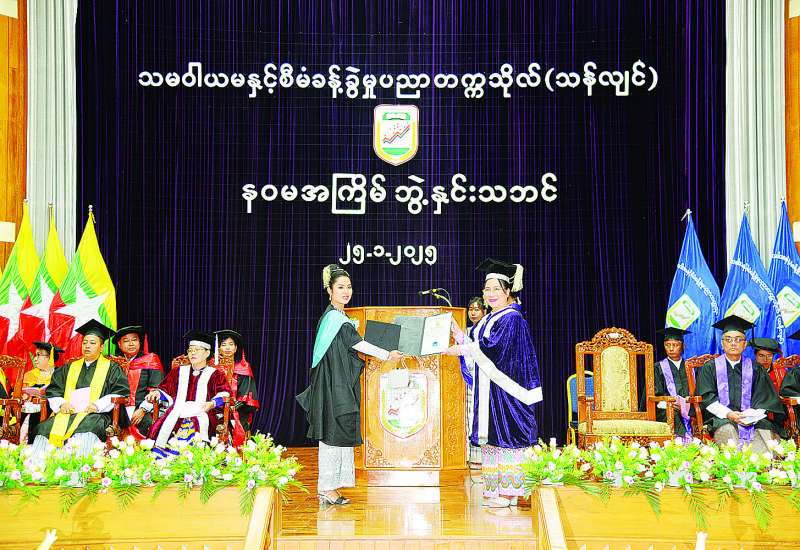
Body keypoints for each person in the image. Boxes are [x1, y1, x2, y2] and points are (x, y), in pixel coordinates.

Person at [296, 264, 403, 506]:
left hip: (338, 383)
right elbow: (358, 344)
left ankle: (332, 486)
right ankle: (326, 487)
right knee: (331, 435)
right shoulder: (334, 319)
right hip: (332, 386)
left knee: (338, 433)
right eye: (340, 287)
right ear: (329, 290)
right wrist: (387, 355)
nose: (346, 291)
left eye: (349, 287)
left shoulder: (339, 318)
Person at [446, 258, 543, 508]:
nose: (490, 294)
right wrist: (459, 335)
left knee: (507, 435)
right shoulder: (492, 317)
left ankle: (510, 492)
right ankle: (497, 489)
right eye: (487, 289)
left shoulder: (511, 318)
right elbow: (481, 346)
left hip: (507, 389)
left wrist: (462, 349)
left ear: (508, 291)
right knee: (494, 437)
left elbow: (493, 349)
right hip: (492, 388)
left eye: (496, 289)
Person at [31, 319, 129, 455]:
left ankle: (79, 465)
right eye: (84, 342)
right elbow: (54, 390)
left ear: (101, 347)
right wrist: (62, 404)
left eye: (92, 343)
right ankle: (41, 464)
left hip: (96, 414)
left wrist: (97, 405)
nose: (87, 346)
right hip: (68, 413)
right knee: (44, 428)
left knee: (88, 426)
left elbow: (120, 392)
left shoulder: (112, 368)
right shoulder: (69, 367)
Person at [696, 315, 785, 452]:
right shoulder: (709, 367)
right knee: (728, 431)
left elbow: (764, 398)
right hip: (721, 418)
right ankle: (737, 461)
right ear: (722, 344)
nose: (733, 343)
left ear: (744, 344)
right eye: (728, 339)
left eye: (738, 339)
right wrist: (728, 414)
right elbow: (706, 398)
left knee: (765, 433)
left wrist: (751, 414)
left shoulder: (756, 368)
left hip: (751, 418)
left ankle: (764, 462)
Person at [147, 331, 232, 452]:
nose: (192, 353)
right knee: (164, 426)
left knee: (200, 429)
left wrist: (212, 404)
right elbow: (165, 389)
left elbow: (225, 393)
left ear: (207, 353)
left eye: (197, 350)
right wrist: (157, 393)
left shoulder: (215, 374)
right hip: (177, 411)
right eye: (190, 350)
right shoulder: (178, 371)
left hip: (203, 412)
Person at [113, 325, 164, 436]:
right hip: (117, 408)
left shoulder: (150, 360)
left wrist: (143, 409)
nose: (131, 344)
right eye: (126, 341)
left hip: (142, 408)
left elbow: (157, 390)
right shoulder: (114, 363)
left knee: (150, 426)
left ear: (140, 342)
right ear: (119, 345)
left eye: (134, 340)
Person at [457, 297, 487, 468]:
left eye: (477, 309)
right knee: (468, 416)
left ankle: (482, 457)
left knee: (480, 416)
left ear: (484, 311)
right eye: (470, 309)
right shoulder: (465, 332)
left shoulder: (486, 331)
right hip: (466, 382)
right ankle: (468, 455)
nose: (473, 312)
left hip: (483, 380)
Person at [215, 329, 260, 433]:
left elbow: (245, 395)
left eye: (231, 344)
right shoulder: (213, 368)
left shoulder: (243, 368)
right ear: (219, 348)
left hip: (238, 411)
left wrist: (229, 409)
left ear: (235, 348)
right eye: (224, 344)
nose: (227, 347)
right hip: (215, 409)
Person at [652, 327, 693, 438]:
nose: (671, 348)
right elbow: (656, 394)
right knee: (673, 414)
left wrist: (687, 404)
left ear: (683, 346)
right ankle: (683, 441)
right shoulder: (658, 367)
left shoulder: (691, 367)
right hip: (666, 408)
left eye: (675, 345)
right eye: (667, 345)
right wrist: (670, 403)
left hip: (690, 406)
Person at [20, 341, 64, 442]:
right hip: (31, 407)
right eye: (35, 355)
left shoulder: (59, 374)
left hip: (52, 408)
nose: (35, 358)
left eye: (38, 355)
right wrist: (26, 396)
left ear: (49, 358)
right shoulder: (30, 375)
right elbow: (22, 393)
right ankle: (26, 440)